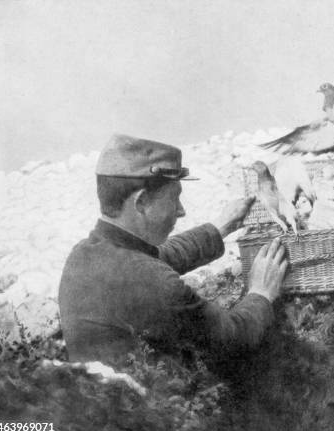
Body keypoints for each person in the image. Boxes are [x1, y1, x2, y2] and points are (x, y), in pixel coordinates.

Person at [58, 134, 288, 367]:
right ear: (141, 202)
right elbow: (233, 338)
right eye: (174, 199)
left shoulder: (85, 254)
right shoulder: (150, 280)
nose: (181, 211)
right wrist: (261, 293)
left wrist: (220, 228)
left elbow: (161, 256)